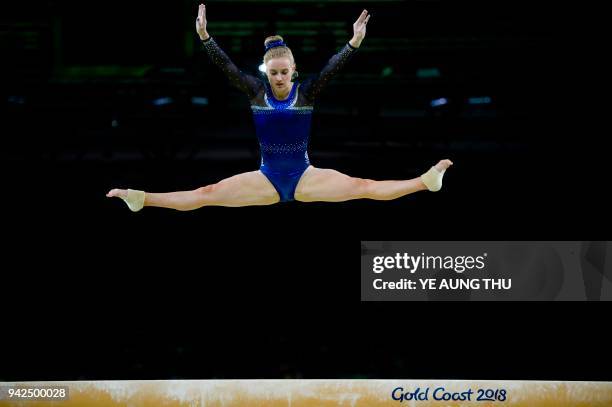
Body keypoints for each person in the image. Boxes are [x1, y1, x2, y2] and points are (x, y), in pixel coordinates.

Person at [107, 4, 452, 212]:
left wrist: (353, 43)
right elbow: (226, 68)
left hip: (304, 176)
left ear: (294, 71)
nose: (280, 78)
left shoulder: (306, 92)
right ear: (265, 72)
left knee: (362, 187)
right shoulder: (256, 92)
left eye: (285, 72)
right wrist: (204, 37)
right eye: (273, 73)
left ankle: (425, 181)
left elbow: (332, 68)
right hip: (266, 177)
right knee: (205, 194)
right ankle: (141, 198)